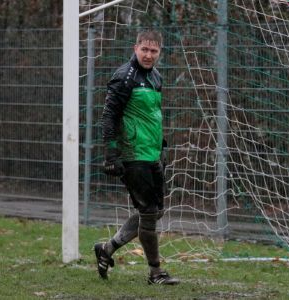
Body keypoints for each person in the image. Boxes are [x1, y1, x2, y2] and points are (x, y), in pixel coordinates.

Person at [95, 31, 180, 285]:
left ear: (159, 53)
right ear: (135, 48)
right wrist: (111, 153)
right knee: (149, 211)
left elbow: (151, 115)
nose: (148, 55)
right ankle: (156, 273)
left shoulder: (156, 77)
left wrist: (161, 147)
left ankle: (107, 248)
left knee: (156, 211)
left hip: (152, 153)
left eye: (153, 51)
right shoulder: (124, 77)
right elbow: (108, 116)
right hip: (133, 154)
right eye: (144, 49)